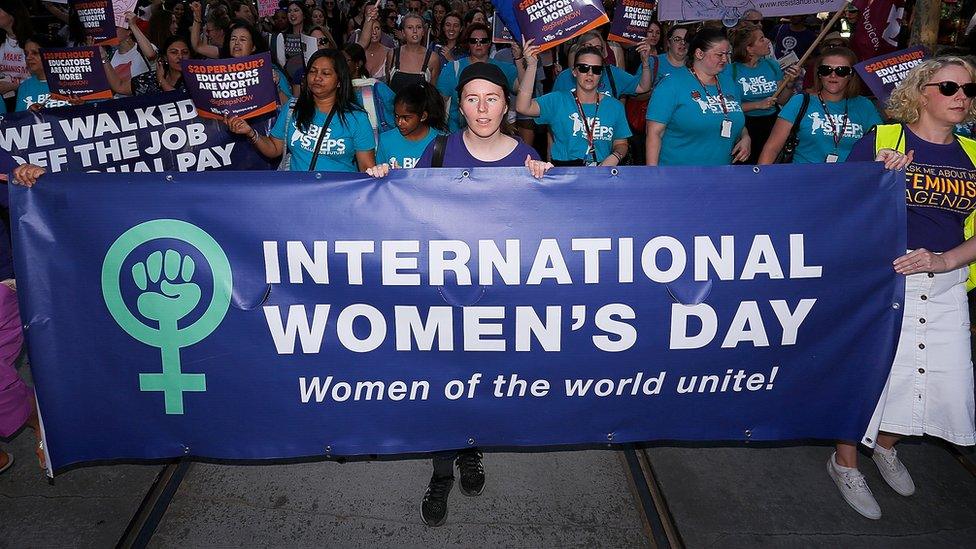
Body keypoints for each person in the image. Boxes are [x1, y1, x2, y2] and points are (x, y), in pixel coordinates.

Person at [365, 65, 550, 529]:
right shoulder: (441, 148)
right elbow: (409, 208)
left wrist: (548, 183)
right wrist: (387, 179)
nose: (482, 108)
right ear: (459, 104)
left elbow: (547, 234)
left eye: (491, 98)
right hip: (446, 298)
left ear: (507, 105)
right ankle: (443, 470)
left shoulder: (526, 156)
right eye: (472, 98)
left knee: (484, 383)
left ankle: (473, 451)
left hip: (500, 303)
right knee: (446, 384)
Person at [827, 56, 976, 521]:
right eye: (949, 87)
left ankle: (886, 445)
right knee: (871, 375)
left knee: (936, 379)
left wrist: (947, 259)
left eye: (970, 90)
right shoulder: (882, 139)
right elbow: (833, 205)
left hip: (947, 283)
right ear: (920, 91)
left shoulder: (973, 153)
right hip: (884, 281)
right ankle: (845, 462)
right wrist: (874, 176)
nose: (961, 97)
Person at [228, 49, 376, 172]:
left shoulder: (357, 118)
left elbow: (366, 168)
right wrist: (250, 132)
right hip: (298, 196)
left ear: (339, 81)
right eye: (313, 71)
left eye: (325, 73)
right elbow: (274, 148)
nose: (317, 77)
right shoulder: (293, 109)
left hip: (338, 198)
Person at [759, 47, 881, 164]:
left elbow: (882, 145)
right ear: (819, 74)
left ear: (851, 75)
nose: (833, 75)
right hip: (803, 179)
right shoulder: (800, 101)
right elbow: (772, 148)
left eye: (841, 71)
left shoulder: (865, 106)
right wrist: (760, 180)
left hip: (849, 180)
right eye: (826, 70)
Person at [646, 28, 749, 166]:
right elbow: (654, 134)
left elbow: (734, 117)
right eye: (719, 54)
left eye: (727, 54)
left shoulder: (728, 83)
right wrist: (652, 175)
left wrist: (745, 137)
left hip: (721, 175)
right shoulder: (671, 85)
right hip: (678, 176)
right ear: (699, 53)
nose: (725, 59)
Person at [517, 41, 630, 166]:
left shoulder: (615, 106)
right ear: (574, 71)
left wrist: (615, 156)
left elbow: (621, 143)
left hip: (602, 172)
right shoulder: (558, 100)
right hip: (566, 172)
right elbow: (522, 107)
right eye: (583, 68)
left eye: (596, 69)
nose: (590, 73)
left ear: (601, 74)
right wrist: (532, 66)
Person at [730, 24, 796, 164]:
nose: (767, 41)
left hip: (772, 124)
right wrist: (757, 105)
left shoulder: (772, 65)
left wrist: (789, 84)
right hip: (745, 126)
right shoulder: (731, 71)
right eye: (761, 39)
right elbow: (730, 107)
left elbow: (782, 100)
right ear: (749, 48)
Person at [436, 23, 516, 131]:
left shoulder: (504, 68)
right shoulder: (453, 68)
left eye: (482, 41)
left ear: (489, 43)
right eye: (473, 41)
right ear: (468, 44)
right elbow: (439, 102)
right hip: (456, 135)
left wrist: (521, 59)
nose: (478, 44)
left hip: (494, 137)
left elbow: (521, 89)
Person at [554, 30, 652, 100]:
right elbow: (551, 110)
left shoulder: (612, 73)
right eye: (588, 46)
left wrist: (645, 62)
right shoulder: (564, 77)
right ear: (579, 48)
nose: (593, 50)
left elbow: (643, 87)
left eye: (598, 47)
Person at [375, 81, 446, 168]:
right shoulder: (385, 140)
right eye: (397, 116)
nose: (399, 122)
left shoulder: (442, 142)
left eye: (406, 118)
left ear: (423, 116)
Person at [225, 21, 293, 105]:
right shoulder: (220, 72)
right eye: (233, 39)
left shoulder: (270, 71)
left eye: (242, 39)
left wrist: (276, 88)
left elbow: (290, 107)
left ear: (253, 47)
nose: (236, 43)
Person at [107, 35, 191, 96]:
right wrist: (103, 58)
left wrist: (161, 80)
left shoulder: (195, 79)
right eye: (174, 52)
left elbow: (182, 100)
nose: (180, 57)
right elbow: (119, 86)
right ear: (165, 57)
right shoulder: (151, 78)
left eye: (185, 52)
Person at [344, 43, 396, 137]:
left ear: (358, 64)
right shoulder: (338, 88)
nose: (341, 64)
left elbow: (394, 109)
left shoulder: (376, 87)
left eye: (346, 60)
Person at [15, 35, 71, 112]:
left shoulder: (74, 82)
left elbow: (92, 111)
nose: (28, 57)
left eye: (35, 53)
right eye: (26, 54)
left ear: (51, 54)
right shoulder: (25, 87)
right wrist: (29, 114)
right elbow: (19, 120)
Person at [386, 13, 439, 93]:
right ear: (403, 32)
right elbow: (388, 86)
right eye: (410, 27)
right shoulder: (392, 54)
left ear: (423, 32)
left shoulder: (433, 58)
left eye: (418, 27)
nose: (415, 31)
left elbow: (433, 92)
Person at [0, 0, 32, 109]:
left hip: (29, 99)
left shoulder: (33, 42)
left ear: (12, 14)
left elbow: (43, 77)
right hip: (4, 102)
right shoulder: (2, 42)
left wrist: (13, 86)